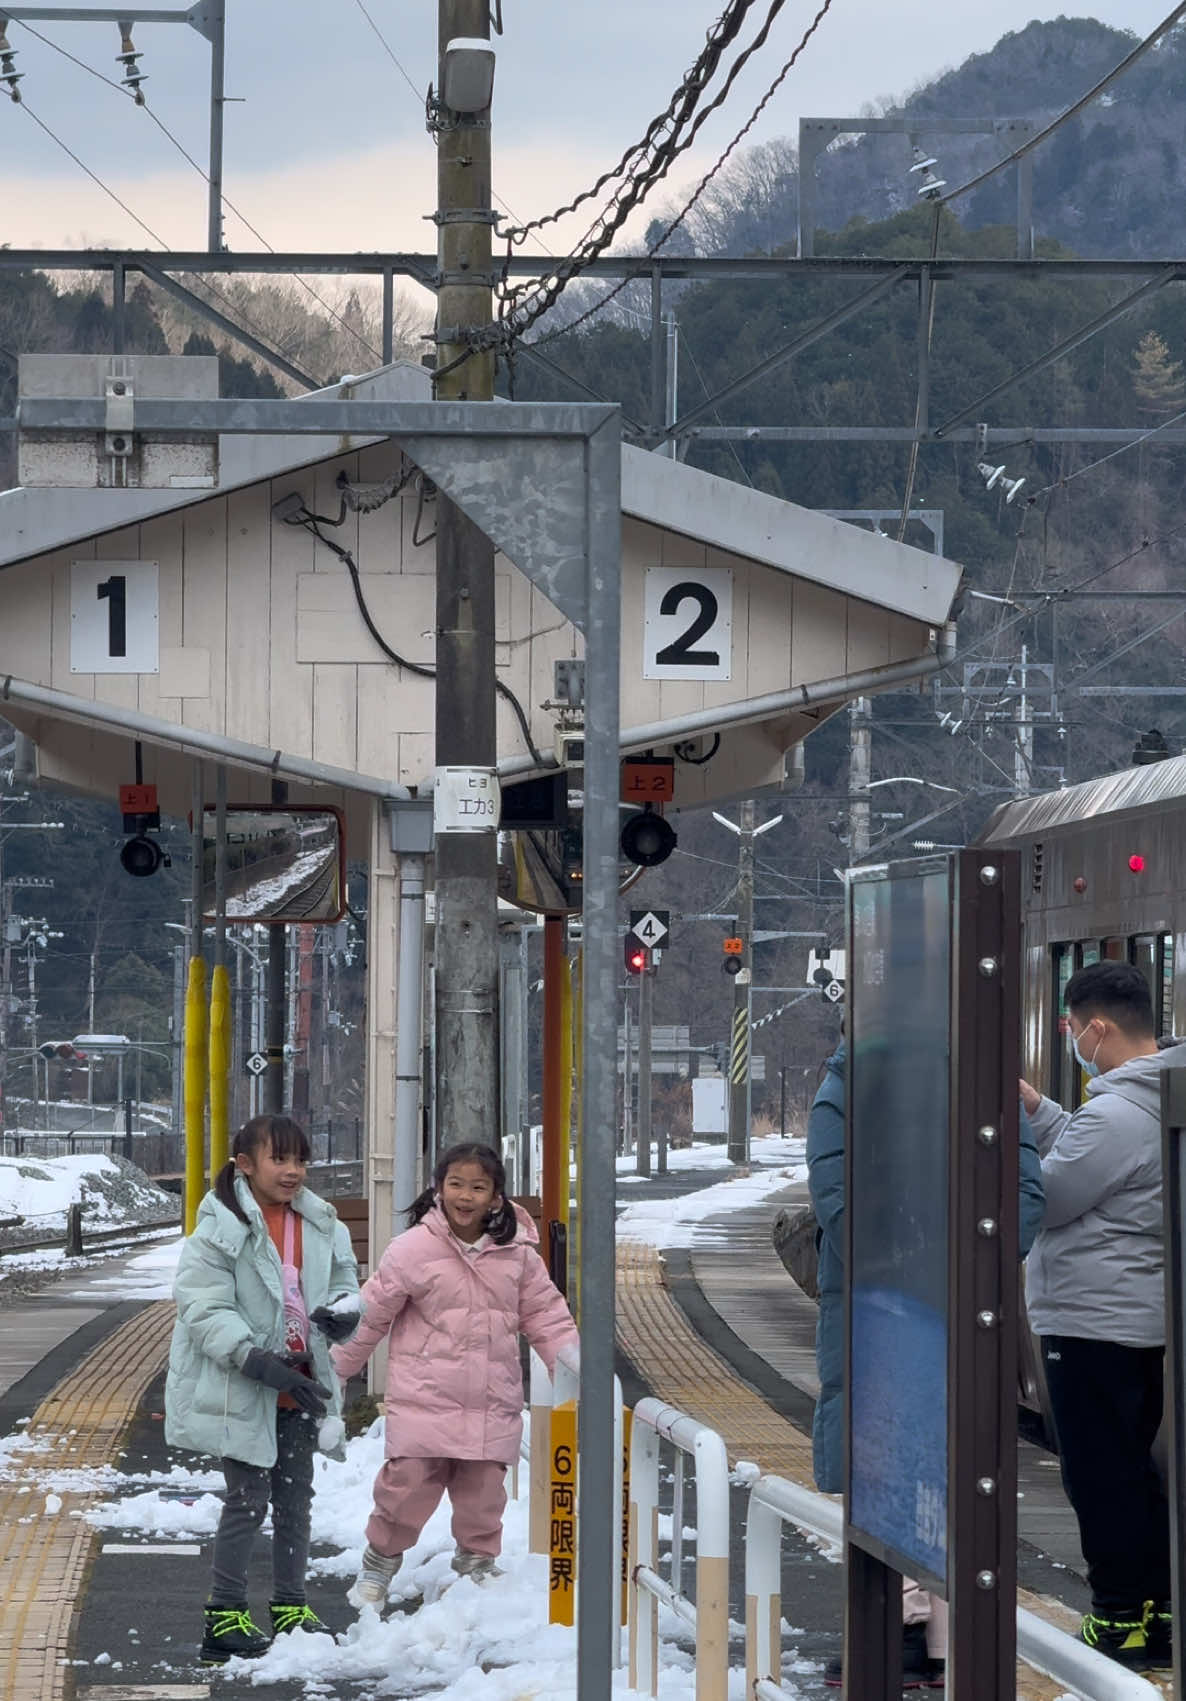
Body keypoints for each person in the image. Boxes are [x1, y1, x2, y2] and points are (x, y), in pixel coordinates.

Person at [808, 1036, 1045, 1687]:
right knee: (914, 1461)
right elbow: (1026, 1191)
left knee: (921, 1461)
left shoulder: (845, 1079)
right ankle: (923, 1631)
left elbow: (834, 1190)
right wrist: (956, 1267)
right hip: (909, 1310)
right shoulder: (969, 1071)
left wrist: (935, 1267)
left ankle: (929, 1635)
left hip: (900, 1307)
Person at [332, 1141, 578, 1607]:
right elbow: (372, 1315)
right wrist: (337, 1371)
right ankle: (379, 1566)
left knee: (484, 1495)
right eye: (456, 1184)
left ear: (497, 1197)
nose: (466, 1196)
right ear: (438, 1189)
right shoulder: (412, 1250)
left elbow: (547, 1316)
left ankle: (476, 1564)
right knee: (404, 1490)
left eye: (478, 1187)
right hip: (424, 1398)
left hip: (490, 1398)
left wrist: (574, 1368)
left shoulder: (518, 1255)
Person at [1022, 959, 1179, 1669]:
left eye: (1072, 1029)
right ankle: (1155, 1605)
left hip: (1091, 1321)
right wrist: (1042, 1112)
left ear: (1098, 1027)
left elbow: (1049, 1197)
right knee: (1131, 1470)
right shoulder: (1152, 1096)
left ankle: (1118, 1619)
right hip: (1130, 1317)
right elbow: (1098, 1165)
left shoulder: (1116, 1111)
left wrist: (1013, 1141)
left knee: (1099, 1476)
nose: (1073, 1041)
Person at [165, 1114, 360, 1664]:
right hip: (242, 1387)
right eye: (280, 1159)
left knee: (296, 1500)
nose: (293, 1171)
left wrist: (346, 1312)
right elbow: (203, 1308)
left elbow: (346, 1283)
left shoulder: (323, 1225)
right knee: (248, 1501)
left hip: (301, 1388)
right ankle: (224, 1612)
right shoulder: (218, 1231)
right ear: (245, 1166)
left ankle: (291, 1606)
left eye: (300, 1160)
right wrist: (254, 1358)